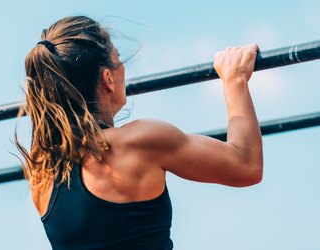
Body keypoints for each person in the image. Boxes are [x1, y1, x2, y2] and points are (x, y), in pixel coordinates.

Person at [16, 16, 263, 250]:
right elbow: (245, 164)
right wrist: (235, 80)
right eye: (118, 58)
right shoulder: (136, 142)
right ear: (108, 79)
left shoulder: (41, 173)